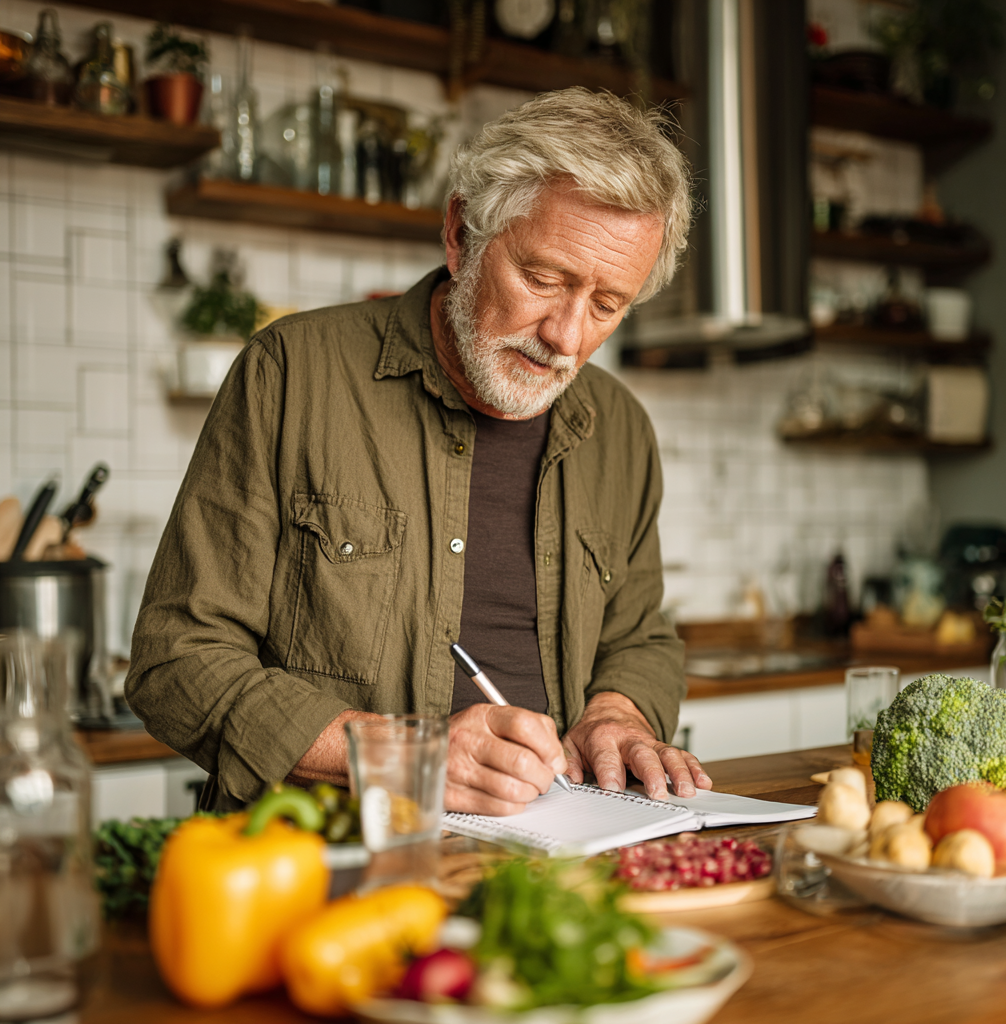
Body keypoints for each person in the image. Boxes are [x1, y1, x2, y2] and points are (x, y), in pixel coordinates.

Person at [126, 87, 713, 814]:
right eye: (541, 279)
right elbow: (176, 661)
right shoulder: (291, 374)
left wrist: (617, 712)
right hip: (322, 852)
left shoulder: (620, 429)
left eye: (605, 305)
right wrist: (404, 758)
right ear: (462, 234)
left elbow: (640, 636)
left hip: (556, 851)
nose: (566, 337)